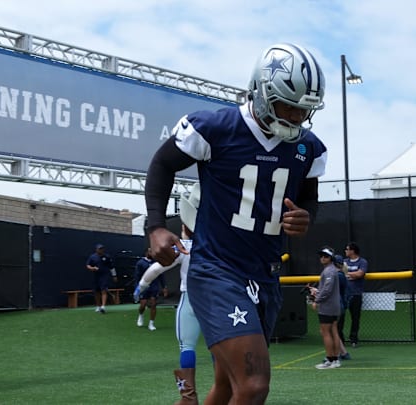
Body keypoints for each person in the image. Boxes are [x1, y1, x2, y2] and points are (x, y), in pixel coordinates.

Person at [145, 43, 327, 404]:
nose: (295, 117)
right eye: (288, 106)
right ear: (261, 92)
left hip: (265, 273)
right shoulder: (215, 127)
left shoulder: (309, 148)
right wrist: (155, 225)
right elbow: (162, 164)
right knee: (254, 385)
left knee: (228, 386)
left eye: (304, 110)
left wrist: (306, 217)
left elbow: (308, 198)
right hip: (218, 269)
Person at [135, 184, 202, 404]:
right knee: (219, 347)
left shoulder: (183, 246)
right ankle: (226, 390)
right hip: (217, 300)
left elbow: (156, 268)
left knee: (187, 346)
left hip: (191, 299)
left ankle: (188, 397)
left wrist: (141, 287)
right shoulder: (219, 245)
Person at [308, 247, 341, 369]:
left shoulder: (329, 271)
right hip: (333, 305)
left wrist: (317, 300)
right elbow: (327, 289)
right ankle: (335, 359)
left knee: (326, 332)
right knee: (333, 331)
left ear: (330, 258)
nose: (322, 258)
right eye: (321, 256)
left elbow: (327, 290)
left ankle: (331, 359)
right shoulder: (331, 271)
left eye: (325, 256)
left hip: (328, 306)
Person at [341, 242, 368, 347]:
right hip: (344, 294)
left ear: (352, 251)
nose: (346, 251)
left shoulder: (362, 261)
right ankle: (340, 339)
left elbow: (360, 274)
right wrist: (353, 275)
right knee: (341, 317)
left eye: (347, 249)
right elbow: (341, 273)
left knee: (355, 318)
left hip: (356, 293)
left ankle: (353, 339)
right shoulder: (344, 262)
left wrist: (348, 274)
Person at [134, 248, 167, 330]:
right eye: (150, 251)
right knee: (143, 304)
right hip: (144, 286)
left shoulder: (157, 263)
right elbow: (137, 276)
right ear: (146, 253)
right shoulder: (140, 263)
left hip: (154, 286)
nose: (152, 253)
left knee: (153, 304)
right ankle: (141, 315)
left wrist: (164, 287)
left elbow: (161, 276)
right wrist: (137, 288)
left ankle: (151, 323)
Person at [85, 243, 117, 314]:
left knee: (104, 290)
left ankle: (103, 306)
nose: (101, 250)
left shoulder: (107, 257)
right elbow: (88, 265)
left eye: (102, 249)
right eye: (100, 249)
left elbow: (111, 267)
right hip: (96, 276)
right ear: (96, 249)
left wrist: (114, 276)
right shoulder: (92, 257)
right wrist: (93, 268)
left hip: (104, 276)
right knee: (96, 291)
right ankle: (98, 306)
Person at [333, 254, 351, 361]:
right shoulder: (339, 275)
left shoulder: (338, 276)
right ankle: (343, 352)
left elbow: (329, 290)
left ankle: (337, 354)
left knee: (332, 330)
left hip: (337, 306)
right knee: (334, 330)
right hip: (339, 305)